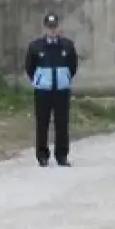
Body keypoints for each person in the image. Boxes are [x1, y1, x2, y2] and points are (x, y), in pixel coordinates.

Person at [24, 12, 79, 167]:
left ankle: (62, 155)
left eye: (54, 27)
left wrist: (65, 78)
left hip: (61, 90)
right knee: (42, 123)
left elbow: (73, 65)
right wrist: (40, 80)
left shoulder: (67, 45)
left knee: (62, 124)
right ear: (45, 28)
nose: (52, 30)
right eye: (49, 27)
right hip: (43, 91)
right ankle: (42, 155)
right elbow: (29, 67)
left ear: (58, 27)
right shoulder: (35, 46)